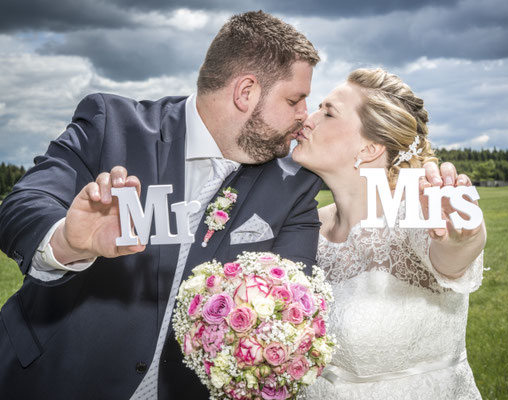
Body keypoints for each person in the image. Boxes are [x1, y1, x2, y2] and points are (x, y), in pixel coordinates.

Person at [0, 11, 324, 400]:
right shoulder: (111, 125)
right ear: (246, 92)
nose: (305, 115)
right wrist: (68, 242)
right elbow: (22, 203)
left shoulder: (294, 188)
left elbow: (291, 306)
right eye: (295, 99)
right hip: (49, 378)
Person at [293, 68, 487, 399]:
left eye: (327, 112)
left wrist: (463, 238)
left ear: (369, 148)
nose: (307, 120)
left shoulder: (413, 214)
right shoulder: (304, 226)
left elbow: (451, 254)